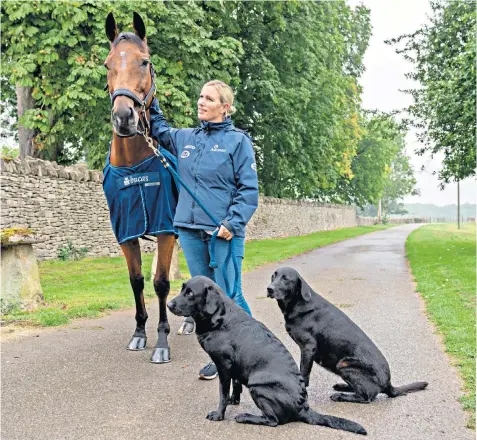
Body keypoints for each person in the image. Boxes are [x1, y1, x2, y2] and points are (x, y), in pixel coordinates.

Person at [149, 80, 259, 380]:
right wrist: (148, 93)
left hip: (222, 231)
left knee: (230, 295)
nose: (201, 102)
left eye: (208, 99)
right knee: (203, 299)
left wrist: (232, 223)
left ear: (224, 107)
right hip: (188, 228)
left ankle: (252, 353)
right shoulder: (185, 138)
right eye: (200, 96)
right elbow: (156, 127)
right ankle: (221, 356)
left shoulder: (238, 142)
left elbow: (249, 190)